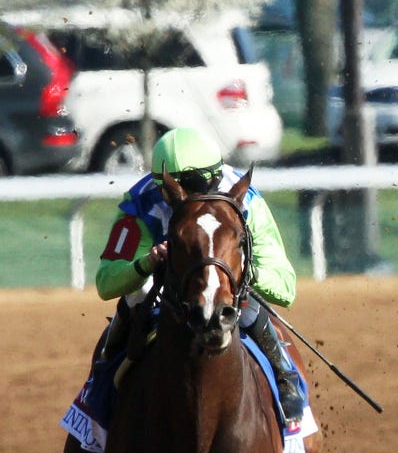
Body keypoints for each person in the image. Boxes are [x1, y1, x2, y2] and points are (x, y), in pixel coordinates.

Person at [92, 126, 305, 427]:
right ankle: (103, 371)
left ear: (215, 178)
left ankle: (284, 376)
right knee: (138, 292)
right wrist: (145, 263)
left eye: (201, 188)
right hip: (166, 286)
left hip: (223, 285)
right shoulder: (140, 204)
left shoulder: (246, 201)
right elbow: (107, 282)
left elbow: (285, 287)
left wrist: (247, 271)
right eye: (181, 194)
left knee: (245, 300)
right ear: (166, 189)